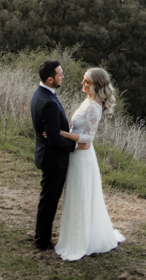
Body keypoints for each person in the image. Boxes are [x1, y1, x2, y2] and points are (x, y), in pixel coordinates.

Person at [54, 67, 125, 261]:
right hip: (77, 153)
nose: (82, 83)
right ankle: (74, 235)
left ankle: (82, 240)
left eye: (86, 81)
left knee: (81, 196)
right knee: (76, 195)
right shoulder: (88, 101)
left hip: (83, 158)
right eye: (84, 80)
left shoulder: (94, 106)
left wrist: (61, 134)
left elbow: (88, 137)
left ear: (96, 85)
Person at [30, 60, 90, 251]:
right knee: (49, 201)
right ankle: (42, 240)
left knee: (47, 199)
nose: (62, 76)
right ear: (50, 79)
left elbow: (53, 134)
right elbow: (54, 140)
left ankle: (41, 236)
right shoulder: (47, 102)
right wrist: (75, 145)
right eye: (59, 75)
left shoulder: (41, 93)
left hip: (48, 155)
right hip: (53, 159)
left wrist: (55, 134)